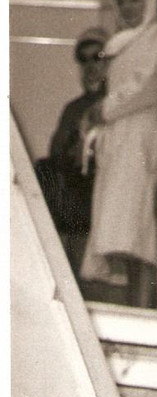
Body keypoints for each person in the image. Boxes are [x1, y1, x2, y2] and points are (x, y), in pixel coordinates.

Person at [80, 0, 157, 309]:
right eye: (123, 1)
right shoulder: (120, 43)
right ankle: (131, 312)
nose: (129, 8)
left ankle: (142, 315)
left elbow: (146, 86)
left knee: (138, 242)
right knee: (121, 242)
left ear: (150, 0)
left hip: (141, 143)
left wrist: (104, 109)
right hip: (120, 145)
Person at [34, 27, 108, 277]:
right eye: (84, 60)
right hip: (75, 199)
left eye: (97, 58)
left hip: (103, 197)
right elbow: (56, 154)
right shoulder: (73, 109)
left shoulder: (117, 103)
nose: (90, 67)